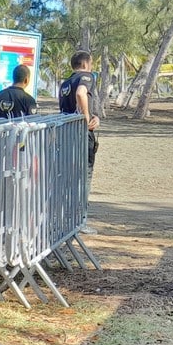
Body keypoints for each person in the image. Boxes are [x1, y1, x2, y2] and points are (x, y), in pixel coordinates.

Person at [59, 50, 100, 233]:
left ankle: (68, 218)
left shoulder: (65, 83)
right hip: (82, 135)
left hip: (68, 136)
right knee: (84, 176)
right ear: (85, 64)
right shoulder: (86, 77)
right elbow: (81, 93)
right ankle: (80, 221)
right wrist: (86, 118)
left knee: (71, 178)